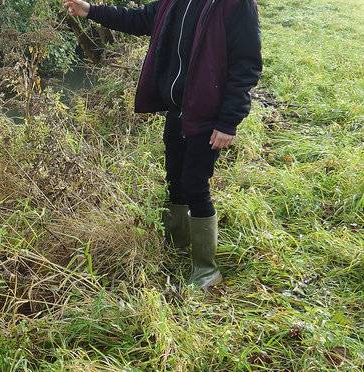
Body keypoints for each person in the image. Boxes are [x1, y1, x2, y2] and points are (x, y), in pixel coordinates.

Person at [63, 0, 262, 288]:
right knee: (174, 180)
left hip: (207, 115)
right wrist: (91, 11)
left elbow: (246, 65)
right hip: (178, 109)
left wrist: (228, 121)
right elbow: (140, 20)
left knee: (195, 185)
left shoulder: (235, 5)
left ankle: (206, 270)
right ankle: (177, 246)